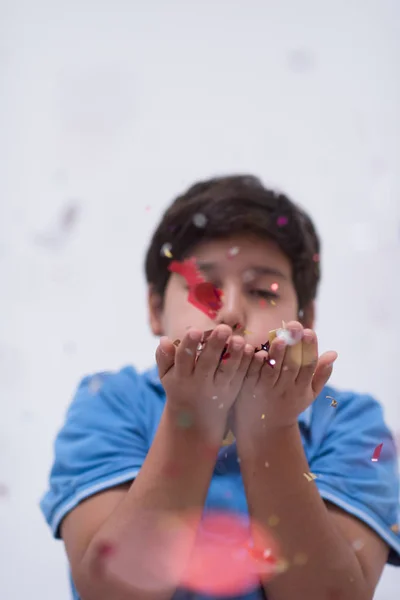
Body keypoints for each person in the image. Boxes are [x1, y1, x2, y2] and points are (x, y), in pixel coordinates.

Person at [40, 175, 400, 600]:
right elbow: (111, 591)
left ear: (306, 315)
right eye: (202, 288)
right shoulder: (110, 402)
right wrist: (191, 420)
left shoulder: (350, 423)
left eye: (263, 290)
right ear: (156, 309)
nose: (229, 311)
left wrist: (269, 428)